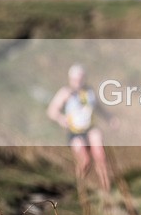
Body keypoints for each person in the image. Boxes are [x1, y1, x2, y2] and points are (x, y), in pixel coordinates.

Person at [47, 63, 115, 192]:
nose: (78, 82)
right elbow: (51, 111)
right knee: (85, 161)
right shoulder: (65, 93)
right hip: (75, 132)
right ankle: (79, 189)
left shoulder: (89, 92)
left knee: (100, 156)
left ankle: (107, 189)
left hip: (90, 129)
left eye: (80, 78)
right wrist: (61, 119)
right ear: (70, 79)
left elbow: (99, 108)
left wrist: (110, 119)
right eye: (75, 79)